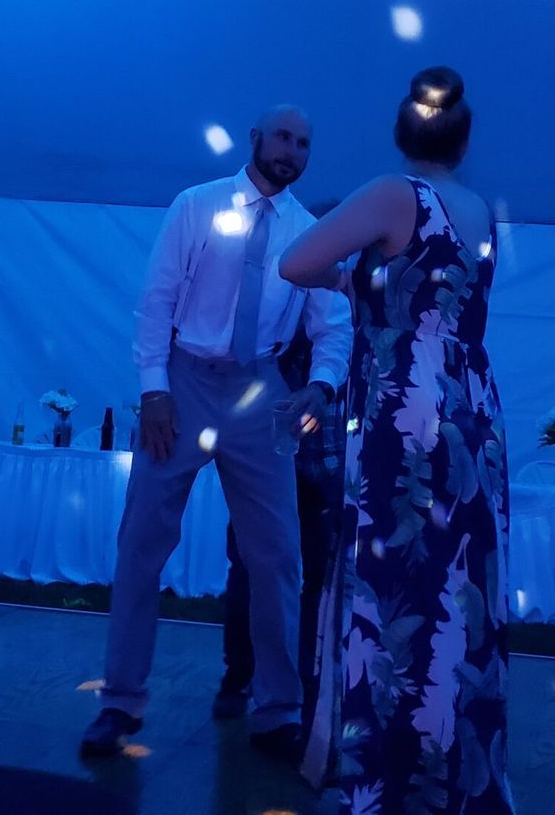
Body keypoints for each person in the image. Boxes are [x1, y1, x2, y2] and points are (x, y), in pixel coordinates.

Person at [80, 106, 353, 763]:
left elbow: (333, 325)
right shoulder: (197, 205)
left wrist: (321, 383)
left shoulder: (307, 230)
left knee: (278, 557)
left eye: (305, 143)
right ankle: (120, 700)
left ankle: (278, 710)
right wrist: (154, 390)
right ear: (256, 139)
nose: (293, 151)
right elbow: (157, 301)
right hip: (185, 377)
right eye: (284, 137)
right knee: (142, 543)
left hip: (262, 391)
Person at [279, 67, 516, 811]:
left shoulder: (393, 194)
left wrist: (354, 283)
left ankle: (383, 772)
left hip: (404, 408)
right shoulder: (480, 208)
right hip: (472, 409)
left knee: (393, 579)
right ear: (465, 136)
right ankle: (450, 766)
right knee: (458, 582)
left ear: (400, 131)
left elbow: (298, 261)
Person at [214, 315, 347, 734]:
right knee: (263, 571)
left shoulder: (311, 316)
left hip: (299, 461)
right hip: (274, 458)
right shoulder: (285, 323)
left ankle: (274, 680)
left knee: (293, 576)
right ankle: (251, 678)